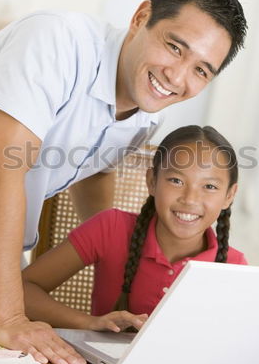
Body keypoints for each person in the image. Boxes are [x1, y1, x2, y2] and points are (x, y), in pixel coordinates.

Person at [0, 0, 247, 364]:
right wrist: (11, 317)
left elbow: (97, 167)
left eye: (201, 70)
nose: (176, 77)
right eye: (175, 47)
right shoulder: (55, 40)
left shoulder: (147, 112)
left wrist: (118, 256)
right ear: (141, 17)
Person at [21, 125, 247, 334]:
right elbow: (21, 289)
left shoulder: (235, 267)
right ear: (152, 180)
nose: (190, 199)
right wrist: (90, 322)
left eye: (209, 186)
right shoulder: (111, 227)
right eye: (176, 180)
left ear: (229, 195)